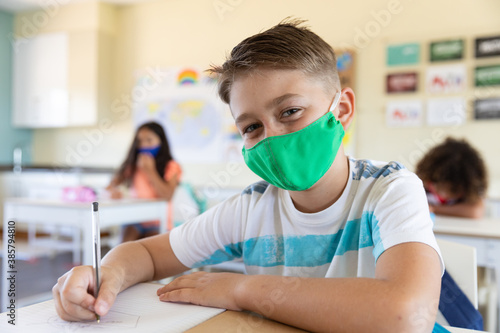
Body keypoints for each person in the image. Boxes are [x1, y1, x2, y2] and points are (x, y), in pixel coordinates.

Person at [53, 19, 443, 332]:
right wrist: (103, 274)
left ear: (340, 111)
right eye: (252, 127)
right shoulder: (251, 209)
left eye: (290, 111)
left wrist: (240, 289)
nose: (271, 136)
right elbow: (146, 255)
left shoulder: (391, 191)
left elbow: (405, 315)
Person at [106, 121, 182, 241]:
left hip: (158, 220)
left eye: (149, 140)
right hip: (135, 219)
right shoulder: (132, 165)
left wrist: (150, 171)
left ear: (161, 141)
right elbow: (110, 186)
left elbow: (167, 196)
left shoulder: (171, 166)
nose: (144, 146)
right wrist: (113, 192)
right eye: (140, 141)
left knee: (148, 250)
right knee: (124, 249)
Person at [416, 137, 488, 219]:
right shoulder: (422, 184)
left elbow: (475, 212)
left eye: (454, 190)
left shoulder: (470, 192)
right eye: (438, 186)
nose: (443, 194)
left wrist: (434, 209)